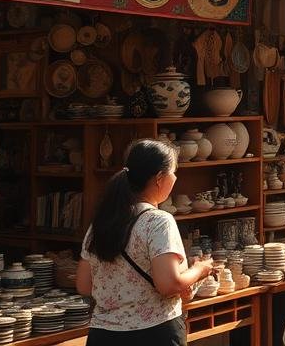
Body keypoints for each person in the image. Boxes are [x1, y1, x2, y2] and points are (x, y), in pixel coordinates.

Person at [77, 139, 215, 346]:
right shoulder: (158, 221)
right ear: (160, 178)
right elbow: (169, 284)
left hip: (103, 335)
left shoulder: (101, 223)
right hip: (152, 333)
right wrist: (200, 270)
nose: (175, 178)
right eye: (174, 172)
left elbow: (84, 285)